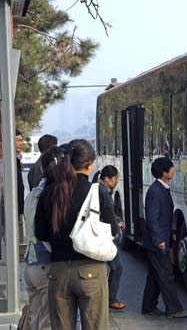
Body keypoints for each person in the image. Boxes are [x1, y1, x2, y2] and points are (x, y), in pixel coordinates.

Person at [35, 139, 118, 330]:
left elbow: (41, 233)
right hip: (91, 270)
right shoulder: (96, 192)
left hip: (58, 272)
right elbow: (112, 230)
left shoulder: (49, 193)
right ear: (89, 164)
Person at [141, 157, 187, 318]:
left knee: (155, 275)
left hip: (159, 240)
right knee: (166, 274)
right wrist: (159, 241)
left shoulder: (161, 188)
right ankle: (174, 309)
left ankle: (148, 306)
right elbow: (152, 218)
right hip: (157, 242)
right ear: (164, 172)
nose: (173, 170)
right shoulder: (156, 191)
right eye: (171, 168)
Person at [24, 146, 64, 330]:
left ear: (42, 170)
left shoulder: (33, 194)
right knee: (47, 322)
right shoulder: (51, 196)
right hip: (45, 266)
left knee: (35, 319)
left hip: (30, 264)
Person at [92, 165, 127, 310]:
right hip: (103, 237)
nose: (117, 181)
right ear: (106, 179)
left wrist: (117, 220)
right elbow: (106, 215)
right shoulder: (102, 192)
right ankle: (110, 299)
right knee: (117, 267)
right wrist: (116, 231)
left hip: (102, 235)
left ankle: (107, 298)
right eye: (115, 178)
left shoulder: (101, 190)